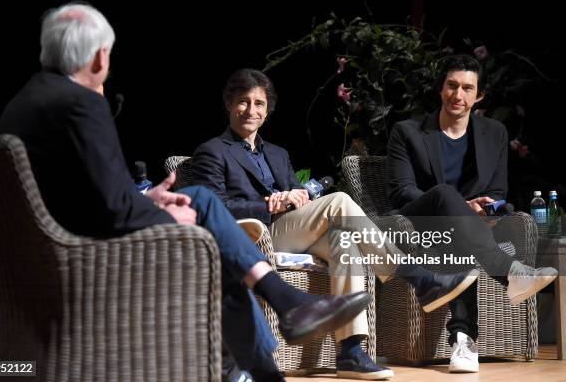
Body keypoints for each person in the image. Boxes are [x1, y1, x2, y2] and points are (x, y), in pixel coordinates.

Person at [0, 3, 375, 382]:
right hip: (85, 254)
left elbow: (84, 195)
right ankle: (276, 329)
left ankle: (265, 352)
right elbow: (111, 209)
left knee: (209, 222)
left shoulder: (23, 103)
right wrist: (164, 214)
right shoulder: (81, 103)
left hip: (44, 250)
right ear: (98, 58)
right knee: (210, 227)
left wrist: (148, 201)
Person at [191, 68, 481, 380]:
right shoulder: (212, 151)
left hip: (291, 230)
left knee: (345, 242)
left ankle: (351, 351)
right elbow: (215, 207)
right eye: (243, 102)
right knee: (339, 201)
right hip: (254, 235)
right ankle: (421, 279)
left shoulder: (277, 153)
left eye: (259, 103)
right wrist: (265, 203)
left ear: (267, 110)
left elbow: (299, 197)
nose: (251, 110)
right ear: (229, 104)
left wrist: (297, 196)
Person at [386, 54, 558, 373]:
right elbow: (401, 191)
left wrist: (479, 208)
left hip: (468, 230)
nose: (458, 95)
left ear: (479, 96)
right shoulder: (407, 132)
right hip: (418, 220)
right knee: (445, 195)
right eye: (452, 86)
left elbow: (498, 193)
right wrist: (455, 206)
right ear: (440, 89)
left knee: (457, 233)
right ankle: (510, 272)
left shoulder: (494, 133)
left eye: (467, 88)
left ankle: (463, 341)